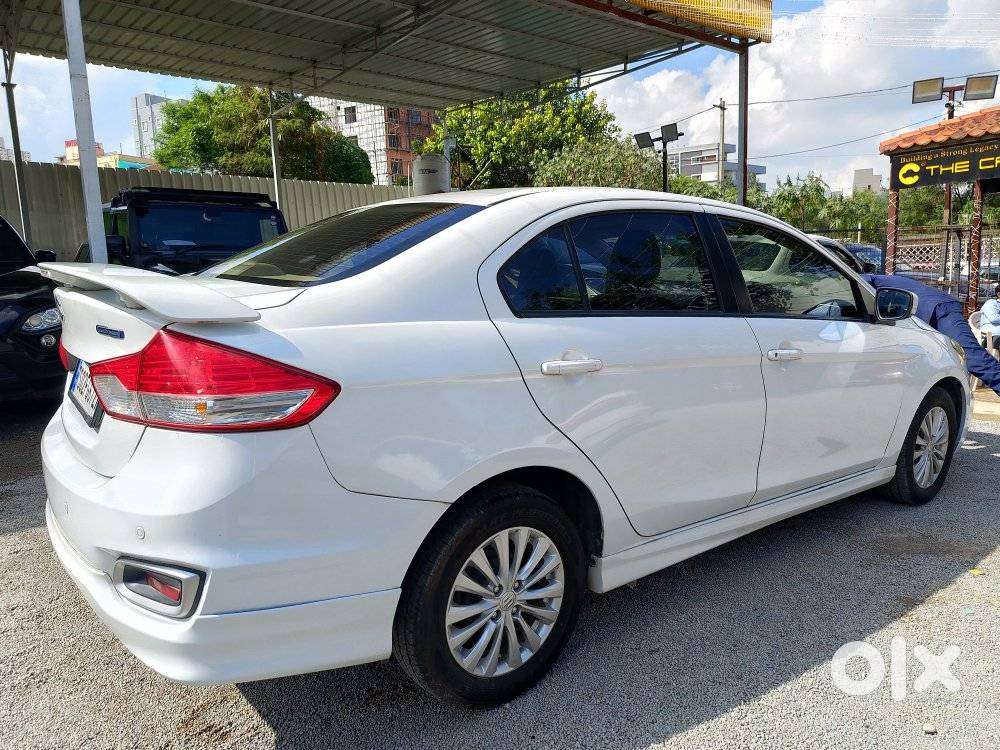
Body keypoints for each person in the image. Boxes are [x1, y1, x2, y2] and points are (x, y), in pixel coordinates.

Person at [862, 273, 1000, 396]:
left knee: (973, 357)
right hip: (920, 316)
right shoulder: (871, 279)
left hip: (938, 308)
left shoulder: (863, 279)